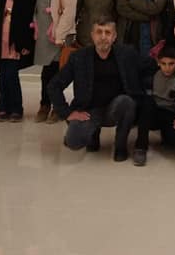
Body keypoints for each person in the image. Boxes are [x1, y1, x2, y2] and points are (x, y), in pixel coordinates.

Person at [47, 15, 141, 161]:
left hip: (114, 108)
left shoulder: (126, 54)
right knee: (73, 142)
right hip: (88, 111)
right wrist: (67, 112)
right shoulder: (78, 57)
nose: (103, 37)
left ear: (114, 36)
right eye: (99, 32)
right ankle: (93, 134)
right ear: (92, 35)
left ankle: (120, 146)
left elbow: (146, 68)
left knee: (127, 102)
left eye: (108, 32)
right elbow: (54, 85)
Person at [33, 0, 77, 123]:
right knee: (46, 73)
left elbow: (68, 14)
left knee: (57, 75)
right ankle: (44, 105)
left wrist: (60, 36)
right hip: (44, 39)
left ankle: (57, 108)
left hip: (59, 39)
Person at [132, 45, 175, 166]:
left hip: (171, 114)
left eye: (171, 64)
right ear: (158, 62)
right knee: (147, 102)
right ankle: (140, 147)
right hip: (153, 111)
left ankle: (167, 135)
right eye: (163, 63)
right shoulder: (152, 73)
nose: (167, 68)